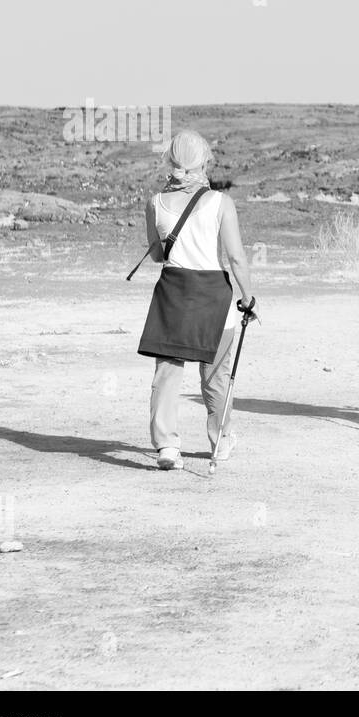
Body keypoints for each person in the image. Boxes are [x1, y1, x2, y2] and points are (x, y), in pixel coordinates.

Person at [137, 131, 256, 470]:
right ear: (203, 162)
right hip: (213, 298)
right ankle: (219, 442)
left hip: (174, 293)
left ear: (171, 162)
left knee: (167, 374)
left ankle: (167, 447)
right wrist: (249, 298)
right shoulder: (221, 203)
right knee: (216, 376)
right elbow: (235, 258)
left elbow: (158, 256)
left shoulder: (154, 204)